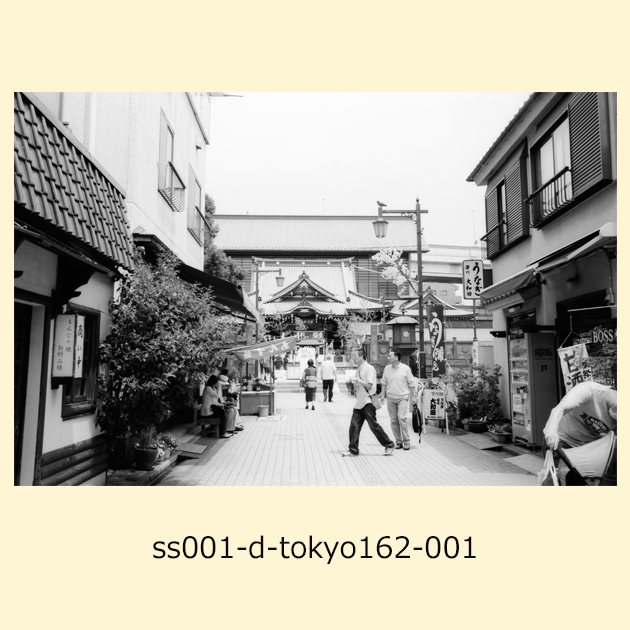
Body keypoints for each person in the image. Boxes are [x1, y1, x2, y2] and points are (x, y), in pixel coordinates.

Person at [543, 381, 617, 485]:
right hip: (561, 440)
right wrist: (551, 431)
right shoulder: (589, 390)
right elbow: (559, 409)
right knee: (557, 481)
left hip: (586, 449)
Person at [342, 349, 395, 457]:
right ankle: (353, 450)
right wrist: (355, 383)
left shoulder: (369, 369)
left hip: (368, 402)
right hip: (359, 402)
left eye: (355, 356)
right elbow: (359, 386)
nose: (353, 358)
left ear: (361, 356)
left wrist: (358, 381)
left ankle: (389, 444)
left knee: (373, 426)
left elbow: (370, 385)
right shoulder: (358, 370)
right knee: (354, 427)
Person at [380, 348, 416, 450]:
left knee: (402, 418)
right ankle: (398, 441)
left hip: (402, 397)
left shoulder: (405, 368)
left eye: (390, 356)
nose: (388, 358)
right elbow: (384, 382)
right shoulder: (387, 368)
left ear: (396, 357)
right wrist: (382, 395)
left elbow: (411, 383)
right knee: (393, 421)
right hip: (391, 398)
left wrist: (414, 397)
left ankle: (406, 441)